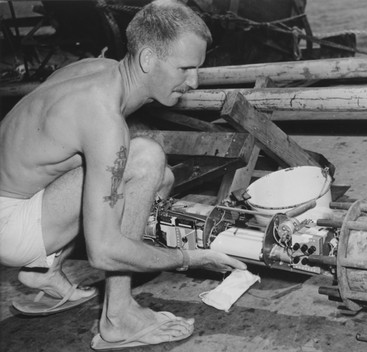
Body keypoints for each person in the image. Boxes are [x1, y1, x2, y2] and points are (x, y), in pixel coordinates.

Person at [0, 0, 246, 349]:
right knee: (145, 158)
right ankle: (118, 316)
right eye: (185, 68)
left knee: (157, 179)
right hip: (8, 224)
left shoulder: (97, 69)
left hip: (16, 196)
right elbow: (102, 252)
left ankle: (44, 269)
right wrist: (189, 258)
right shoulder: (101, 115)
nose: (194, 81)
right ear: (147, 59)